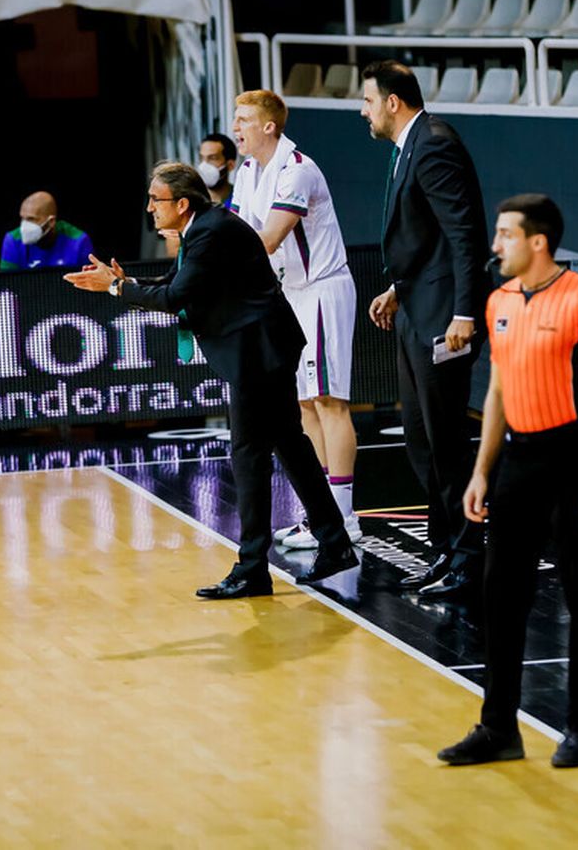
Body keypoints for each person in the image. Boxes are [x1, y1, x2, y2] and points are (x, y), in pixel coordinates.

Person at [63, 161, 358, 598]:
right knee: (290, 447)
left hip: (259, 353)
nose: (150, 208)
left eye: (156, 200)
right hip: (263, 349)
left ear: (182, 203)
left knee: (249, 457)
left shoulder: (211, 232)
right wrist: (128, 282)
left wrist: (116, 289)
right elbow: (175, 283)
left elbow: (174, 297)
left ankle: (253, 568)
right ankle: (334, 543)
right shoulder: (202, 229)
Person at [437, 195, 578, 770]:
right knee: (500, 594)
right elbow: (497, 391)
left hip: (573, 462)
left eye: (505, 235)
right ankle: (498, 728)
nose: (495, 245)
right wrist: (481, 471)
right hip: (517, 462)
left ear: (537, 242)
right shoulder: (499, 301)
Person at [362, 59, 491, 598]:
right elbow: (426, 236)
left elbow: (464, 235)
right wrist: (398, 288)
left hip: (444, 316)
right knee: (420, 440)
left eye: (368, 101)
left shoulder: (434, 144)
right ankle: (445, 549)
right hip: (417, 306)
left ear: (393, 102)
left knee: (446, 442)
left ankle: (468, 558)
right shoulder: (408, 146)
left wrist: (465, 313)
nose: (364, 112)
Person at [225, 90, 363, 548]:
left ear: (269, 126)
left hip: (322, 290)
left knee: (329, 401)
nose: (236, 127)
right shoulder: (247, 172)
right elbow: (235, 230)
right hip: (290, 293)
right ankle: (319, 513)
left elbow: (265, 240)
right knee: (303, 404)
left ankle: (344, 516)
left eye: (244, 119)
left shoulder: (297, 169)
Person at [0, 191, 93, 270]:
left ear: (51, 222)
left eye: (31, 219)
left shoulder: (79, 241)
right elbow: (7, 283)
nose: (24, 226)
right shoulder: (12, 240)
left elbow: (89, 282)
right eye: (23, 218)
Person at [196, 133, 238, 211]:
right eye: (201, 158)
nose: (204, 165)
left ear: (230, 165)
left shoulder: (240, 199)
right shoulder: (192, 202)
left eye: (212, 158)